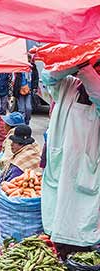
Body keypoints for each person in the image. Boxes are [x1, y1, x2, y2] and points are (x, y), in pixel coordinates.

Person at [40, 60, 100, 251]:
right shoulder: (69, 85)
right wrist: (74, 61)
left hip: (85, 164)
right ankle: (59, 246)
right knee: (58, 210)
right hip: (61, 160)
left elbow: (97, 92)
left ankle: (76, 249)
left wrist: (86, 67)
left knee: (80, 217)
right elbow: (48, 77)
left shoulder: (94, 90)